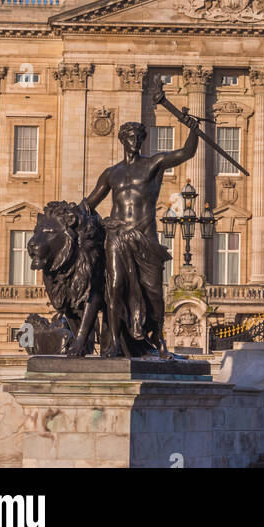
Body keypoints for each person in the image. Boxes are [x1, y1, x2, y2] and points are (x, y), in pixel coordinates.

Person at [84, 117, 199, 356]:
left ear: (142, 141)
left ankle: (157, 337)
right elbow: (90, 203)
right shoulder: (111, 173)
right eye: (130, 137)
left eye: (138, 137)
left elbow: (186, 153)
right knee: (114, 288)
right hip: (116, 236)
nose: (134, 141)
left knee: (154, 293)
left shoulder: (153, 164)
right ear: (122, 140)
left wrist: (193, 129)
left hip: (144, 237)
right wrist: (67, 215)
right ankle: (115, 343)